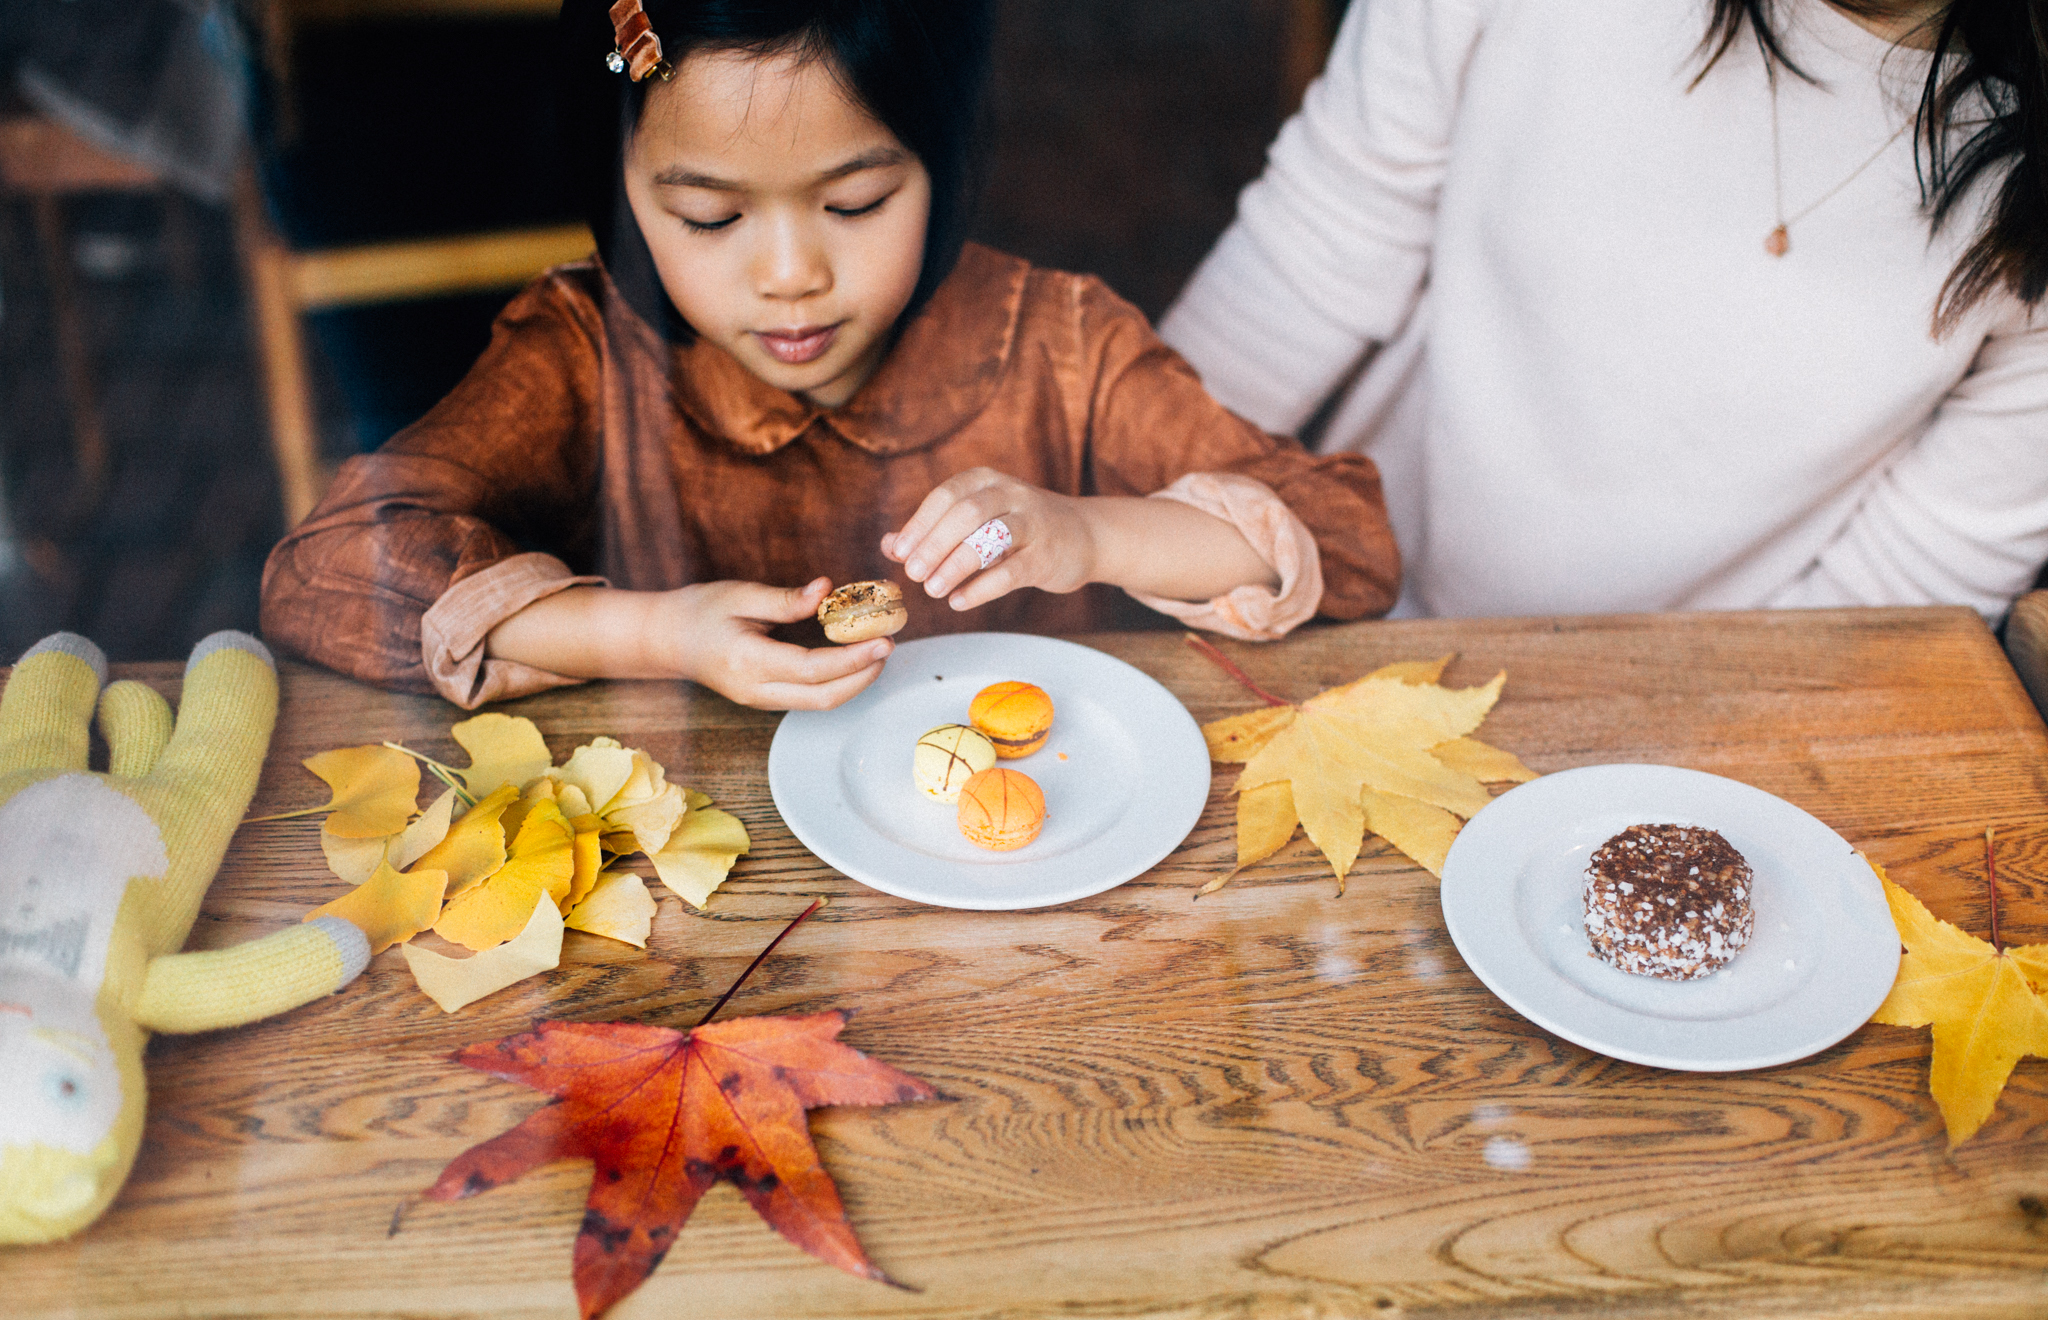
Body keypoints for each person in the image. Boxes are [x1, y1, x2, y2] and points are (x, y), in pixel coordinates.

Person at [258, 0, 1400, 711]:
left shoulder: (1053, 342)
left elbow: (1347, 545)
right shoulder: (583, 357)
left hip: (1012, 893)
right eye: (710, 220)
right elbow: (324, 573)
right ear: (616, 193)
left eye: (854, 203)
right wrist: (651, 633)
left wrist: (1083, 530)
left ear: (944, 161)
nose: (790, 274)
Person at [1158, 0, 2048, 620]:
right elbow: (1319, 240)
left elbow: (1911, 586)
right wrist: (1097, 509)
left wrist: (1642, 768)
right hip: (1357, 622)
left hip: (1723, 745)